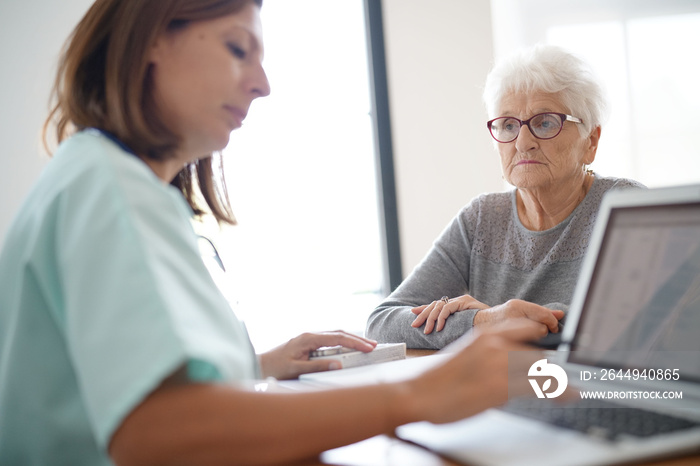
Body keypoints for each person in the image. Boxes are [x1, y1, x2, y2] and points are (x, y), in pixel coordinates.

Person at [0, 1, 547, 464]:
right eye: (238, 49)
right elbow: (155, 430)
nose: (262, 84)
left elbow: (103, 384)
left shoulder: (92, 174)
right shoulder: (113, 190)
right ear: (151, 40)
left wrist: (252, 365)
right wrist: (416, 392)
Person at [366, 44, 645, 350]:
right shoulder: (481, 219)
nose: (523, 143)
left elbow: (630, 324)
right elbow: (382, 323)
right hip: (499, 397)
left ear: (590, 141)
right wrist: (482, 322)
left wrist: (507, 321)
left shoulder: (627, 206)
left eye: (545, 122)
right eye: (508, 125)